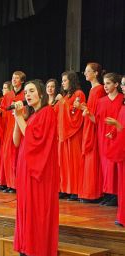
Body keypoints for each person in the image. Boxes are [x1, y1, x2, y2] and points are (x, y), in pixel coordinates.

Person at [10, 79, 59, 256]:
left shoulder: (47, 113)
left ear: (41, 94)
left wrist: (20, 117)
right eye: (26, 92)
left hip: (41, 173)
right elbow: (16, 141)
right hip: (26, 171)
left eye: (31, 91)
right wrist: (17, 117)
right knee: (26, 211)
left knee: (39, 211)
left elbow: (33, 140)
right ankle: (27, 253)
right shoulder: (31, 116)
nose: (27, 95)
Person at [77, 62, 106, 202]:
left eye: (88, 71)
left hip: (94, 127)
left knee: (93, 158)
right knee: (89, 158)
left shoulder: (99, 89)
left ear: (96, 73)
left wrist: (85, 111)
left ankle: (93, 193)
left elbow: (98, 114)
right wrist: (83, 108)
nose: (85, 73)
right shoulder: (93, 90)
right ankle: (88, 192)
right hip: (89, 125)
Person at [55, 71, 86, 200]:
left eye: (65, 80)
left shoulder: (78, 94)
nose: (62, 83)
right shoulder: (65, 95)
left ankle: (75, 189)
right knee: (63, 163)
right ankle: (64, 188)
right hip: (62, 133)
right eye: (62, 81)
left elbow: (76, 114)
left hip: (73, 133)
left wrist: (62, 101)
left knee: (74, 163)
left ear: (71, 81)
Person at [95, 72, 123, 206]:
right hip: (103, 137)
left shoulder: (122, 99)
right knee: (105, 166)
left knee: (115, 166)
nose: (105, 86)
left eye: (108, 83)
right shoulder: (101, 101)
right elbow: (97, 119)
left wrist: (115, 130)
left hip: (117, 136)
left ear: (116, 84)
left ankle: (116, 194)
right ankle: (108, 193)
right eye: (104, 83)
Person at [0, 71, 26, 193]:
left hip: (20, 127)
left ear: (22, 81)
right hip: (9, 129)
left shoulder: (25, 95)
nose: (14, 80)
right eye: (13, 78)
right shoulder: (8, 95)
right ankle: (10, 184)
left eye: (17, 78)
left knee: (17, 157)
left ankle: (17, 185)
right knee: (9, 157)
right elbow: (4, 111)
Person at [105, 75, 125, 225]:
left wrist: (118, 126)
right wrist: (114, 131)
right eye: (123, 85)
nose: (123, 87)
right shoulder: (123, 105)